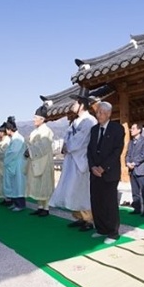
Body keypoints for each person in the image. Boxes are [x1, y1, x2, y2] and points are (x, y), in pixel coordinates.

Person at [49, 87, 97, 231]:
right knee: (73, 190)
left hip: (81, 160)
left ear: (82, 104)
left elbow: (81, 140)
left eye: (75, 103)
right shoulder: (77, 121)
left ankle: (89, 219)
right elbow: (68, 137)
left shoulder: (89, 121)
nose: (73, 106)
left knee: (82, 190)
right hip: (72, 159)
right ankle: (79, 217)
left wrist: (68, 146)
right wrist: (65, 145)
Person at [87, 101, 125, 244]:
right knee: (96, 201)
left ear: (109, 114)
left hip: (109, 172)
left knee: (109, 203)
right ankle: (101, 228)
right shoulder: (94, 130)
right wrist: (92, 167)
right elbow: (89, 150)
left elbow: (117, 151)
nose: (99, 115)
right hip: (94, 172)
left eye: (102, 112)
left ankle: (113, 232)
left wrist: (103, 167)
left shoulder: (117, 128)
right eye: (97, 112)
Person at [26, 105, 55, 217]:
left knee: (45, 184)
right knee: (38, 184)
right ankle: (40, 206)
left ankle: (46, 208)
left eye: (35, 117)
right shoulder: (34, 132)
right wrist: (29, 149)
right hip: (36, 160)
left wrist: (31, 150)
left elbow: (44, 145)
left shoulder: (47, 131)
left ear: (42, 119)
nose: (34, 120)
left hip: (45, 161)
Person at [125, 123, 144, 217]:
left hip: (141, 170)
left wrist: (134, 163)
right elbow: (127, 154)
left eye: (133, 128)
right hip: (132, 170)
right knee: (135, 191)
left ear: (139, 130)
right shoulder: (131, 142)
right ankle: (137, 208)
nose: (131, 130)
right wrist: (127, 162)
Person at [3, 116, 27, 212]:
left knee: (18, 185)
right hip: (13, 163)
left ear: (9, 130)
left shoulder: (18, 138)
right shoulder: (14, 138)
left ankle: (20, 204)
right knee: (14, 185)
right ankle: (15, 203)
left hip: (17, 164)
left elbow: (13, 152)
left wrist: (6, 159)